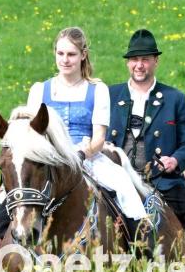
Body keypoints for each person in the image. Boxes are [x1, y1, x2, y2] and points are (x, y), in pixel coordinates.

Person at [26, 27, 148, 231]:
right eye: (60, 53)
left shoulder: (97, 89)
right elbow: (31, 135)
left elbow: (99, 138)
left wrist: (81, 154)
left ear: (83, 55)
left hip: (86, 155)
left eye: (71, 54)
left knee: (124, 186)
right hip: (48, 159)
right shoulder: (39, 90)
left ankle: (138, 243)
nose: (65, 60)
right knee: (14, 196)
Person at [107, 29, 185, 233]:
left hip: (162, 183)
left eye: (145, 59)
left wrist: (175, 161)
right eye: (134, 59)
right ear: (128, 63)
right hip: (116, 181)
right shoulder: (110, 95)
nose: (139, 65)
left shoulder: (174, 98)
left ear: (156, 61)